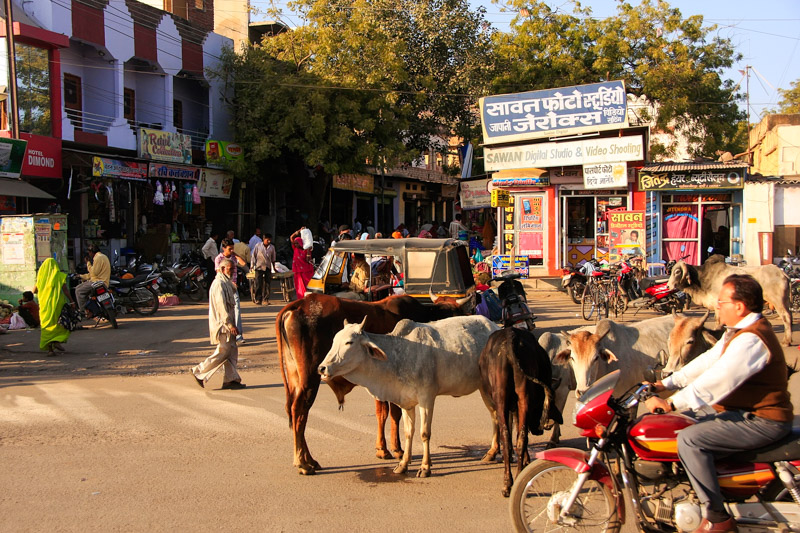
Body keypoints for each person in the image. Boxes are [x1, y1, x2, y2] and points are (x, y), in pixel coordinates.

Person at [645, 275, 793, 533]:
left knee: (689, 440)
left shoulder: (752, 339)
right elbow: (708, 361)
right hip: (744, 414)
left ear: (740, 306)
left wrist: (672, 403)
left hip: (762, 420)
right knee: (688, 423)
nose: (717, 306)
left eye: (722, 301)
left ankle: (717, 517)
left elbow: (718, 380)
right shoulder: (738, 332)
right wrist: (667, 384)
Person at [191, 258, 246, 390]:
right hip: (223, 325)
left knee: (231, 351)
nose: (232, 272)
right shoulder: (218, 284)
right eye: (230, 269)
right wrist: (230, 324)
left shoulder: (226, 282)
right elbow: (222, 307)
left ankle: (231, 379)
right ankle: (199, 371)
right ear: (222, 269)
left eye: (233, 269)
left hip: (228, 323)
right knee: (224, 351)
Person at [35, 258, 75, 356]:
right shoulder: (59, 276)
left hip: (44, 306)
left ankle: (50, 350)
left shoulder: (41, 278)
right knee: (59, 325)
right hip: (57, 305)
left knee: (47, 327)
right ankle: (57, 341)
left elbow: (34, 290)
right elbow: (65, 290)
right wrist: (72, 301)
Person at [215, 239, 246, 344]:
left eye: (233, 248)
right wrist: (229, 283)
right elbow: (219, 273)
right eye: (229, 249)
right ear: (224, 248)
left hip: (233, 288)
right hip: (223, 288)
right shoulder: (219, 259)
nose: (231, 250)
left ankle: (239, 335)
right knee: (223, 311)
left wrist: (235, 254)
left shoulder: (233, 257)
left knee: (236, 310)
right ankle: (223, 334)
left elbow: (243, 263)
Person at [75, 244, 110, 317]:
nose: (89, 255)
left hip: (97, 282)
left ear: (91, 252)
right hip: (103, 282)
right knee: (82, 288)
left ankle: (85, 311)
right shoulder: (103, 256)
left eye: (89, 253)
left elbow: (94, 272)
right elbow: (92, 275)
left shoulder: (97, 258)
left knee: (78, 290)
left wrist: (88, 263)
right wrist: (81, 276)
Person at [251, 232, 276, 305]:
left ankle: (266, 299)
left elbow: (273, 258)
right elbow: (253, 256)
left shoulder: (272, 247)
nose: (269, 241)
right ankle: (258, 299)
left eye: (270, 240)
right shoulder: (258, 246)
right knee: (258, 283)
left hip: (267, 267)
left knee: (267, 284)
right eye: (267, 240)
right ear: (264, 239)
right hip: (259, 267)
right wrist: (252, 266)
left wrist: (274, 267)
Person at [290, 228, 315, 298]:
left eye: (297, 243)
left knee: (308, 286)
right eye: (295, 243)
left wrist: (307, 252)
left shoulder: (306, 250)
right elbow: (291, 237)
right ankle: (300, 299)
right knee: (299, 287)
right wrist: (299, 231)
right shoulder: (295, 249)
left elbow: (308, 260)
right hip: (298, 272)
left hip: (306, 272)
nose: (296, 245)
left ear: (301, 243)